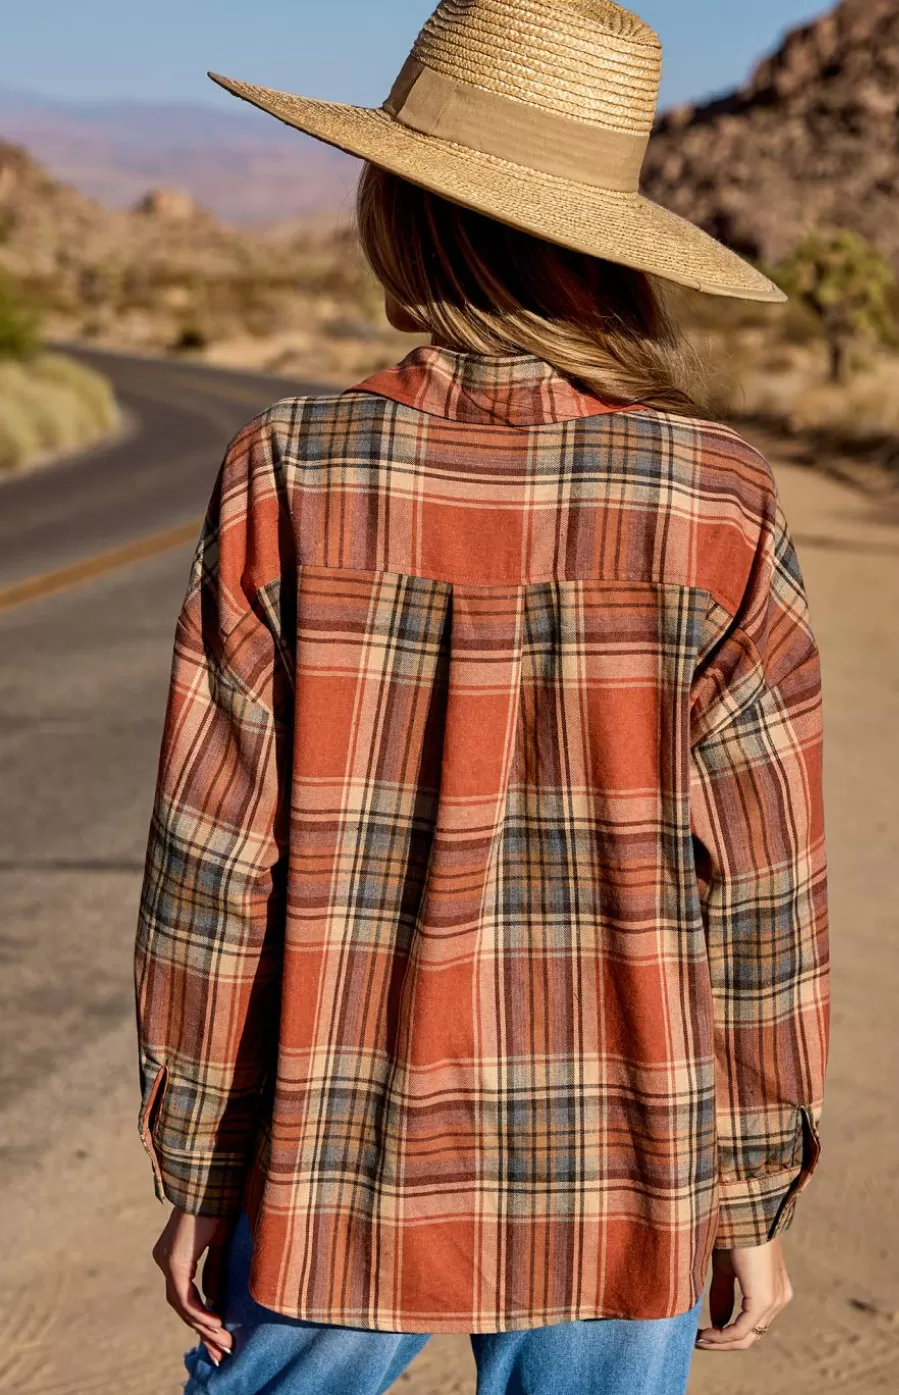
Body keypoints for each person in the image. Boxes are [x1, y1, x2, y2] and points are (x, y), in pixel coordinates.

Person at [134, 2, 831, 1392]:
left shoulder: (290, 470)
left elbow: (210, 870)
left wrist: (201, 1161)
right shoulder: (716, 499)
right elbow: (765, 890)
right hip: (623, 1156)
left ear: (400, 201)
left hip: (338, 1150)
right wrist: (748, 1188)